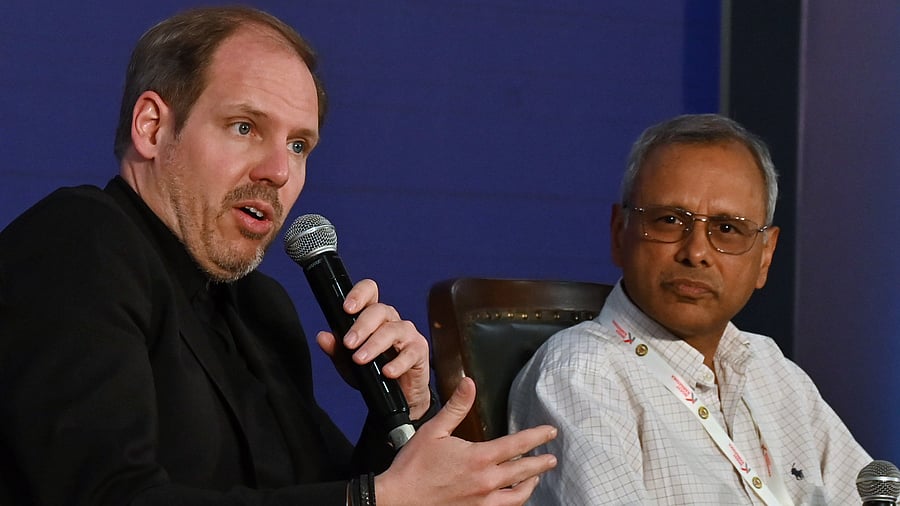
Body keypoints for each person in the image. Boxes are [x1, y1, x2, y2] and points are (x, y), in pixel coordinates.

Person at [0, 6, 558, 505]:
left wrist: (397, 415)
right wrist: (378, 500)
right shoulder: (77, 242)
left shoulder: (261, 307)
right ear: (152, 127)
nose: (279, 172)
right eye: (245, 127)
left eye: (299, 145)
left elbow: (318, 489)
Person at [508, 114, 871, 505]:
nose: (696, 252)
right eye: (669, 220)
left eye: (727, 228)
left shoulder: (774, 371)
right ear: (618, 234)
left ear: (765, 256)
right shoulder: (583, 374)